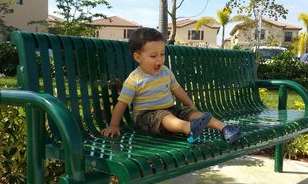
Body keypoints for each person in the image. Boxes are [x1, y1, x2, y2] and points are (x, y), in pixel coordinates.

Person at [101, 27, 241, 144]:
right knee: (165, 116)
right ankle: (189, 128)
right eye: (153, 56)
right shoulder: (134, 79)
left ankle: (225, 128)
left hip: (170, 109)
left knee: (191, 113)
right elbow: (122, 104)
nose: (160, 59)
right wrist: (113, 126)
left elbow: (178, 90)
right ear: (138, 57)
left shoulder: (166, 72)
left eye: (162, 54)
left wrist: (190, 105)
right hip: (146, 117)